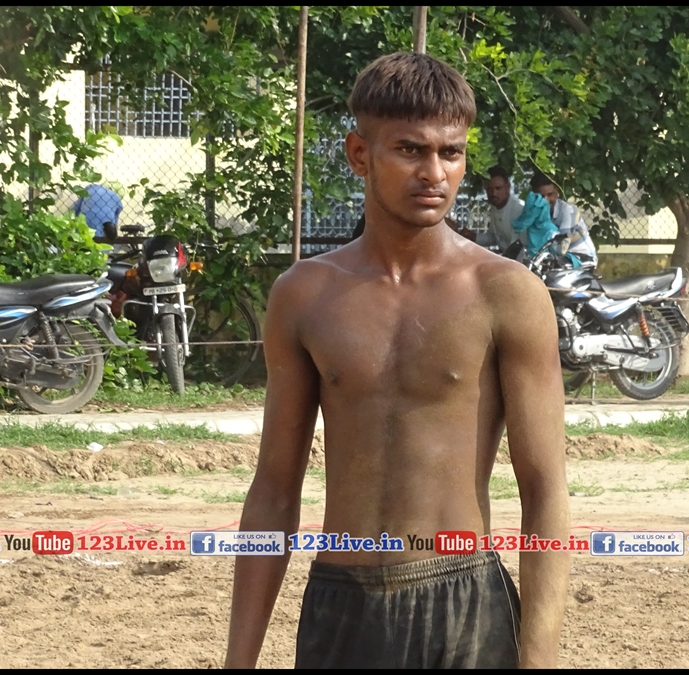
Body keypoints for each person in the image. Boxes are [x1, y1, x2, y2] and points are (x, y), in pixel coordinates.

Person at [225, 53, 569, 669]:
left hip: (465, 600)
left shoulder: (505, 292)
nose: (434, 172)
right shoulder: (305, 296)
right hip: (342, 605)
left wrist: (538, 658)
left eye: (451, 152)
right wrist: (239, 661)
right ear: (360, 154)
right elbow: (274, 491)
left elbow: (544, 490)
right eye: (411, 150)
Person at [530, 172, 597, 264]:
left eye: (550, 194)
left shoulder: (568, 211)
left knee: (549, 266)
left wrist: (546, 228)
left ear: (557, 193)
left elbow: (561, 249)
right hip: (554, 258)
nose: (546, 200)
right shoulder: (532, 213)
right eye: (541, 196)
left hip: (582, 258)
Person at [483, 165, 524, 251]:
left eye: (498, 188)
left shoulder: (518, 209)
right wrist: (472, 236)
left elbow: (516, 247)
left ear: (508, 187)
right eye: (489, 189)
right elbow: (493, 237)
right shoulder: (494, 207)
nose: (494, 193)